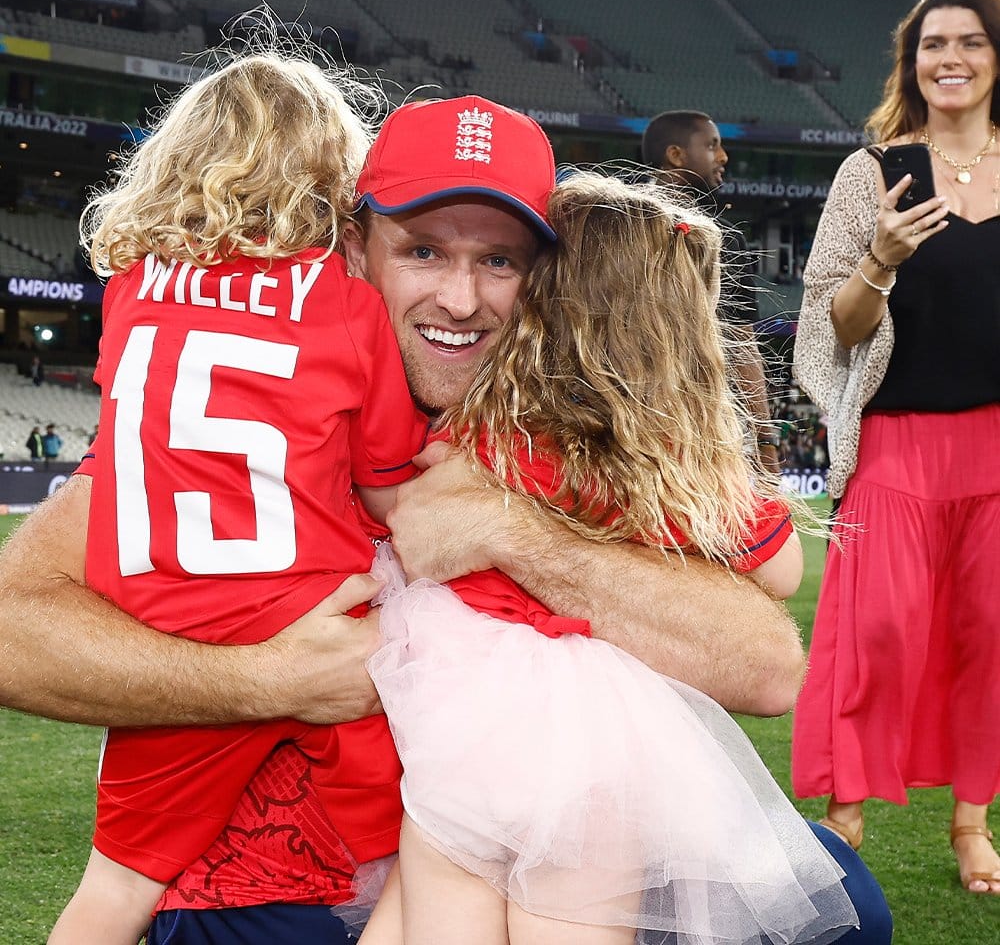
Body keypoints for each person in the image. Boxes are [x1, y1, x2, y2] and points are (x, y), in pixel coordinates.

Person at [0, 96, 890, 944]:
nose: (460, 302)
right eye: (423, 251)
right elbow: (12, 632)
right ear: (353, 248)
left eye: (498, 262)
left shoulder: (555, 432)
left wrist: (517, 532)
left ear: (545, 281)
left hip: (524, 828)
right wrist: (267, 681)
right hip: (302, 870)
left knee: (842, 908)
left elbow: (769, 667)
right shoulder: (250, 421)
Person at [350, 171, 857, 945]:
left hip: (462, 714)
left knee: (429, 912)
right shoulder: (668, 461)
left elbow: (408, 517)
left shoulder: (488, 428)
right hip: (597, 735)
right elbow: (780, 570)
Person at [47, 51, 429, 945]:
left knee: (114, 887)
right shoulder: (345, 303)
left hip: (163, 629)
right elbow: (383, 483)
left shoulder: (133, 290)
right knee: (432, 845)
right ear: (333, 175)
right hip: (311, 615)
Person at [791, 0, 1000, 896]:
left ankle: (971, 822)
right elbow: (829, 325)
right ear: (912, 63)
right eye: (933, 45)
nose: (950, 59)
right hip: (896, 442)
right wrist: (881, 256)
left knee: (990, 633)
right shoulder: (871, 172)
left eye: (971, 43)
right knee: (874, 632)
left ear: (997, 58)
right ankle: (844, 816)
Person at [642, 110, 781, 475]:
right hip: (702, 441)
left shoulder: (614, 228)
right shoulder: (720, 238)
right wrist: (765, 441)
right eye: (712, 145)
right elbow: (742, 348)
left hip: (626, 432)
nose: (723, 157)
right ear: (676, 155)